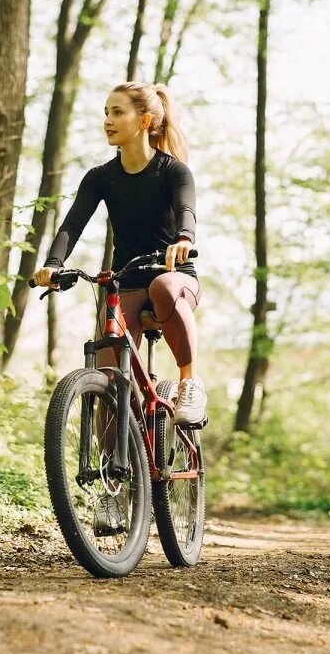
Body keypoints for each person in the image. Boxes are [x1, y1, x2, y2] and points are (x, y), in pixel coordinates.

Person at [32, 80, 207, 425]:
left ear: (143, 121)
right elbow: (72, 225)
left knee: (163, 287)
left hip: (175, 279)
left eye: (117, 112)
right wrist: (53, 264)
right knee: (111, 382)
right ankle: (116, 473)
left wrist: (184, 239)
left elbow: (187, 212)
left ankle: (190, 382)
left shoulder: (173, 171)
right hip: (125, 283)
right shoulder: (100, 178)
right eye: (106, 113)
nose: (108, 120)